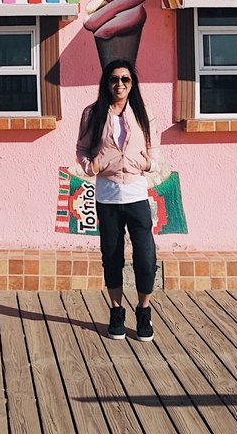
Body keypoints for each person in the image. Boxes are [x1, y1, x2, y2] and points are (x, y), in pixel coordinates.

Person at [75, 59, 159, 341]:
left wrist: (147, 164)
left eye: (125, 79)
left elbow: (152, 148)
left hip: (136, 195)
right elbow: (82, 148)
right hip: (108, 196)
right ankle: (116, 310)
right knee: (111, 257)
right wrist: (93, 166)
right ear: (106, 83)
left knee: (145, 258)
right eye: (114, 79)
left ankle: (144, 310)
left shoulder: (142, 113)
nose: (119, 84)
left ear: (132, 83)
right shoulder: (93, 113)